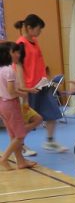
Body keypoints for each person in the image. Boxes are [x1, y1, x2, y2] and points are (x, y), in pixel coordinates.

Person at [15, 14, 67, 152]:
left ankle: (50, 141)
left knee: (53, 111)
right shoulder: (20, 44)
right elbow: (18, 66)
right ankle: (20, 146)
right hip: (30, 87)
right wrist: (23, 88)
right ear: (29, 28)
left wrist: (47, 80)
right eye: (38, 29)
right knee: (26, 119)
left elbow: (39, 63)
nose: (40, 32)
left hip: (42, 85)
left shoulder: (35, 41)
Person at [0, 42, 37, 170]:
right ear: (8, 54)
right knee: (20, 135)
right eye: (15, 52)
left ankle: (20, 162)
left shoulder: (1, 69)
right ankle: (4, 158)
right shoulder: (9, 70)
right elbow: (11, 91)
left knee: (13, 135)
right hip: (11, 104)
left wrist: (26, 90)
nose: (18, 54)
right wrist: (22, 94)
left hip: (2, 104)